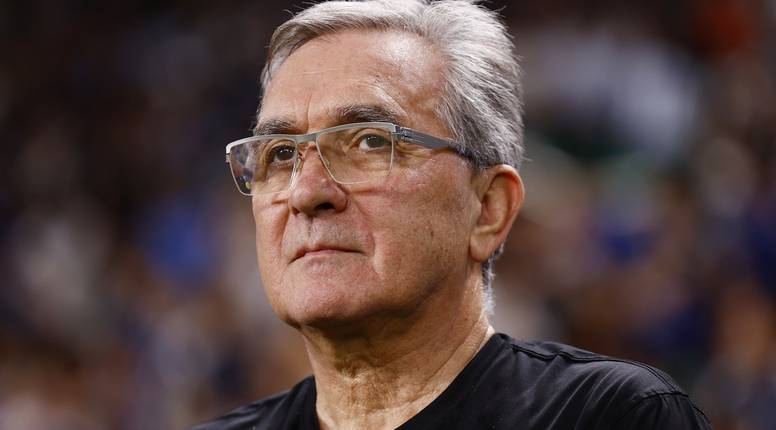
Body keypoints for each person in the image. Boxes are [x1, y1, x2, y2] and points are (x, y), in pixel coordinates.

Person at [193, 0, 711, 429]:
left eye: (370, 141)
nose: (307, 191)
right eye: (281, 153)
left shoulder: (613, 417)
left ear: (488, 209)